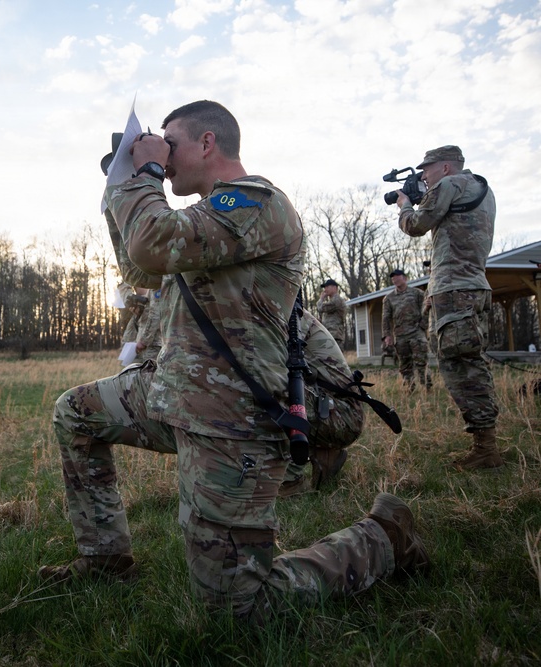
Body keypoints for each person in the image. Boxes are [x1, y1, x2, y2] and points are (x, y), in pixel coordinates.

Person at [42, 100, 428, 619]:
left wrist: (148, 173)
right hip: (174, 393)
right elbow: (142, 270)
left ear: (207, 143)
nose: (164, 154)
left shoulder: (255, 201)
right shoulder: (205, 222)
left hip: (233, 415)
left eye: (169, 142)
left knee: (237, 610)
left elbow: (153, 242)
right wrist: (121, 183)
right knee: (76, 412)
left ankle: (384, 537)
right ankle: (105, 557)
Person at [395, 145, 501, 470]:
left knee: (459, 367)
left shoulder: (448, 185)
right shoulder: (483, 188)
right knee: (471, 362)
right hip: (474, 286)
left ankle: (486, 448)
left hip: (455, 291)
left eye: (427, 169)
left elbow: (416, 224)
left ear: (444, 168)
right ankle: (487, 443)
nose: (424, 176)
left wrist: (403, 206)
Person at [279, 309, 365, 497]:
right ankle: (326, 456)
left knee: (268, 391)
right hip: (333, 409)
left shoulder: (283, 313)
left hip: (342, 414)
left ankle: (290, 481)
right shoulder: (281, 306)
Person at [381, 269, 431, 391]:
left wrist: (422, 327)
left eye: (397, 276)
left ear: (405, 278)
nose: (395, 279)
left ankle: (427, 388)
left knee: (421, 362)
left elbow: (427, 309)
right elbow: (386, 318)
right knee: (405, 364)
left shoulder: (418, 293)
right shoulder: (389, 298)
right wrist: (387, 336)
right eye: (393, 278)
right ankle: (410, 388)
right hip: (400, 335)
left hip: (416, 333)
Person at [134, 280, 163, 363]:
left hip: (153, 344)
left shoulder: (156, 286)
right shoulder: (152, 287)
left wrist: (144, 341)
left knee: (150, 372)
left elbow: (155, 315)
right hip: (150, 343)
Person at [316, 279, 347, 348]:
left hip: (335, 336)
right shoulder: (332, 300)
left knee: (335, 358)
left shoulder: (337, 300)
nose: (325, 289)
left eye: (327, 287)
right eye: (325, 287)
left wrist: (321, 299)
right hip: (330, 336)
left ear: (334, 288)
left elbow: (320, 308)